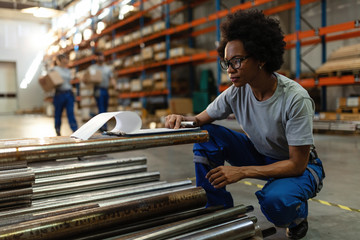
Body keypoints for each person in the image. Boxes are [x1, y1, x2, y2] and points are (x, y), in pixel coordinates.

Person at [165, 9, 325, 240]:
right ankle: (217, 210)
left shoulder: (294, 98)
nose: (230, 69)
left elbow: (296, 164)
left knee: (276, 203)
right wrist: (180, 118)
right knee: (205, 134)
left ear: (261, 58)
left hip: (299, 167)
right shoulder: (236, 92)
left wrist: (242, 171)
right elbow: (199, 120)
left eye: (237, 61)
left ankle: (298, 213)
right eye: (227, 62)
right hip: (262, 155)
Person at [89, 52, 117, 131]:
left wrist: (115, 86)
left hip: (105, 89)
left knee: (105, 108)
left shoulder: (107, 68)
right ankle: (103, 126)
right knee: (101, 108)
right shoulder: (93, 68)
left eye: (102, 56)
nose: (101, 58)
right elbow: (89, 78)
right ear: (96, 58)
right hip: (98, 89)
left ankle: (102, 125)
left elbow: (111, 78)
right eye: (99, 57)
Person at [53, 54, 78, 136]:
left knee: (71, 113)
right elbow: (48, 79)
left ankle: (75, 129)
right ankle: (57, 129)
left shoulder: (67, 70)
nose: (66, 60)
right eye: (64, 58)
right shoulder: (54, 69)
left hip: (69, 93)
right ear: (60, 60)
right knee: (58, 113)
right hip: (59, 94)